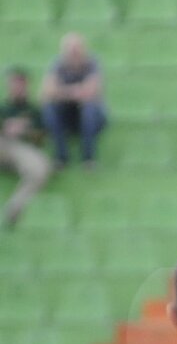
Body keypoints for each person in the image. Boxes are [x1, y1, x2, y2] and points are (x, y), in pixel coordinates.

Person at [40, 32, 107, 168]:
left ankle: (88, 158)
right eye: (70, 49)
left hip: (93, 118)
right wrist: (76, 91)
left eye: (76, 49)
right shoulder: (58, 64)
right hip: (68, 114)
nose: (73, 53)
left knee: (89, 108)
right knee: (49, 109)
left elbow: (92, 91)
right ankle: (61, 157)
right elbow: (47, 92)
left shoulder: (92, 63)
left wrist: (62, 91)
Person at [0, 67, 53, 228]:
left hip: (22, 149)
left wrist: (25, 130)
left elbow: (41, 137)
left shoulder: (34, 110)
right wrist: (5, 129)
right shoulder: (3, 109)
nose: (16, 87)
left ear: (26, 85)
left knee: (41, 167)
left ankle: (15, 208)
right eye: (13, 83)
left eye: (20, 83)